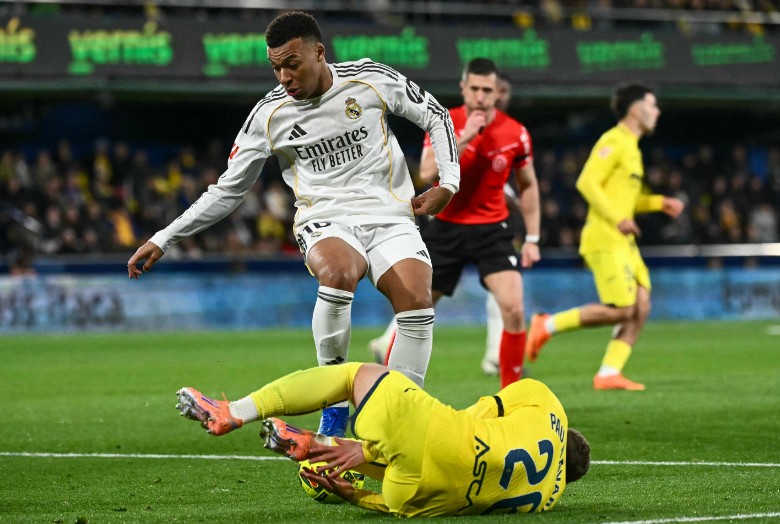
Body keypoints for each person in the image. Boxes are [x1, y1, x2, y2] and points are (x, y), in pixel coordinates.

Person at [126, 11, 460, 437]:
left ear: (319, 53)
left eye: (292, 63)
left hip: (390, 213)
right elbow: (228, 190)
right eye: (275, 67)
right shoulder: (269, 115)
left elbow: (436, 114)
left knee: (416, 299)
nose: (283, 75)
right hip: (324, 219)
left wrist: (449, 182)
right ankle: (334, 408)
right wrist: (164, 237)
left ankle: (401, 418)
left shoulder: (370, 78)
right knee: (338, 275)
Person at [175, 362, 590, 516]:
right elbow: (400, 507)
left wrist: (384, 437)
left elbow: (473, 417)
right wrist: (354, 496)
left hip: (444, 438)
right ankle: (316, 447)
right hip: (413, 494)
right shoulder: (548, 498)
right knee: (419, 462)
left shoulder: (549, 406)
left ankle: (236, 412)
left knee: (355, 376)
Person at [370, 58, 541, 388]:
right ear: (463, 88)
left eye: (487, 90)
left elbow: (528, 183)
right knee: (413, 312)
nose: (480, 96)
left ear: (497, 93)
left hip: (493, 230)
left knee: (514, 311)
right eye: (474, 88)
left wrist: (532, 237)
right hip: (446, 227)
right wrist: (465, 138)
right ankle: (386, 390)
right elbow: (427, 173)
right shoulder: (444, 120)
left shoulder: (516, 133)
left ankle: (511, 397)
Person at [525, 83, 685, 391]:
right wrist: (618, 218)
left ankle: (609, 372)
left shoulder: (634, 148)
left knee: (642, 304)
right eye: (652, 105)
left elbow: (626, 202)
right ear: (636, 110)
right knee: (624, 309)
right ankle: (547, 324)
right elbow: (587, 182)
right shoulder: (614, 140)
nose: (657, 112)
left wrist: (657, 203)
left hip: (623, 240)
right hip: (605, 237)